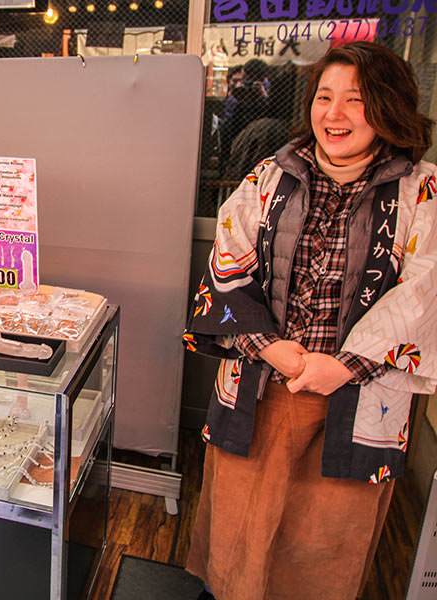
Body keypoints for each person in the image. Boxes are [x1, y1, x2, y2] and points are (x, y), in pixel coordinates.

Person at [183, 42, 437, 600]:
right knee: (239, 522)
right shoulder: (272, 175)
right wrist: (269, 345)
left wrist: (344, 365)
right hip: (264, 381)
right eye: (325, 97)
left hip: (357, 394)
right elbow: (226, 260)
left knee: (325, 535)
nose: (334, 114)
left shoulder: (421, 189)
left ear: (389, 107)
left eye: (356, 100)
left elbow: (423, 293)